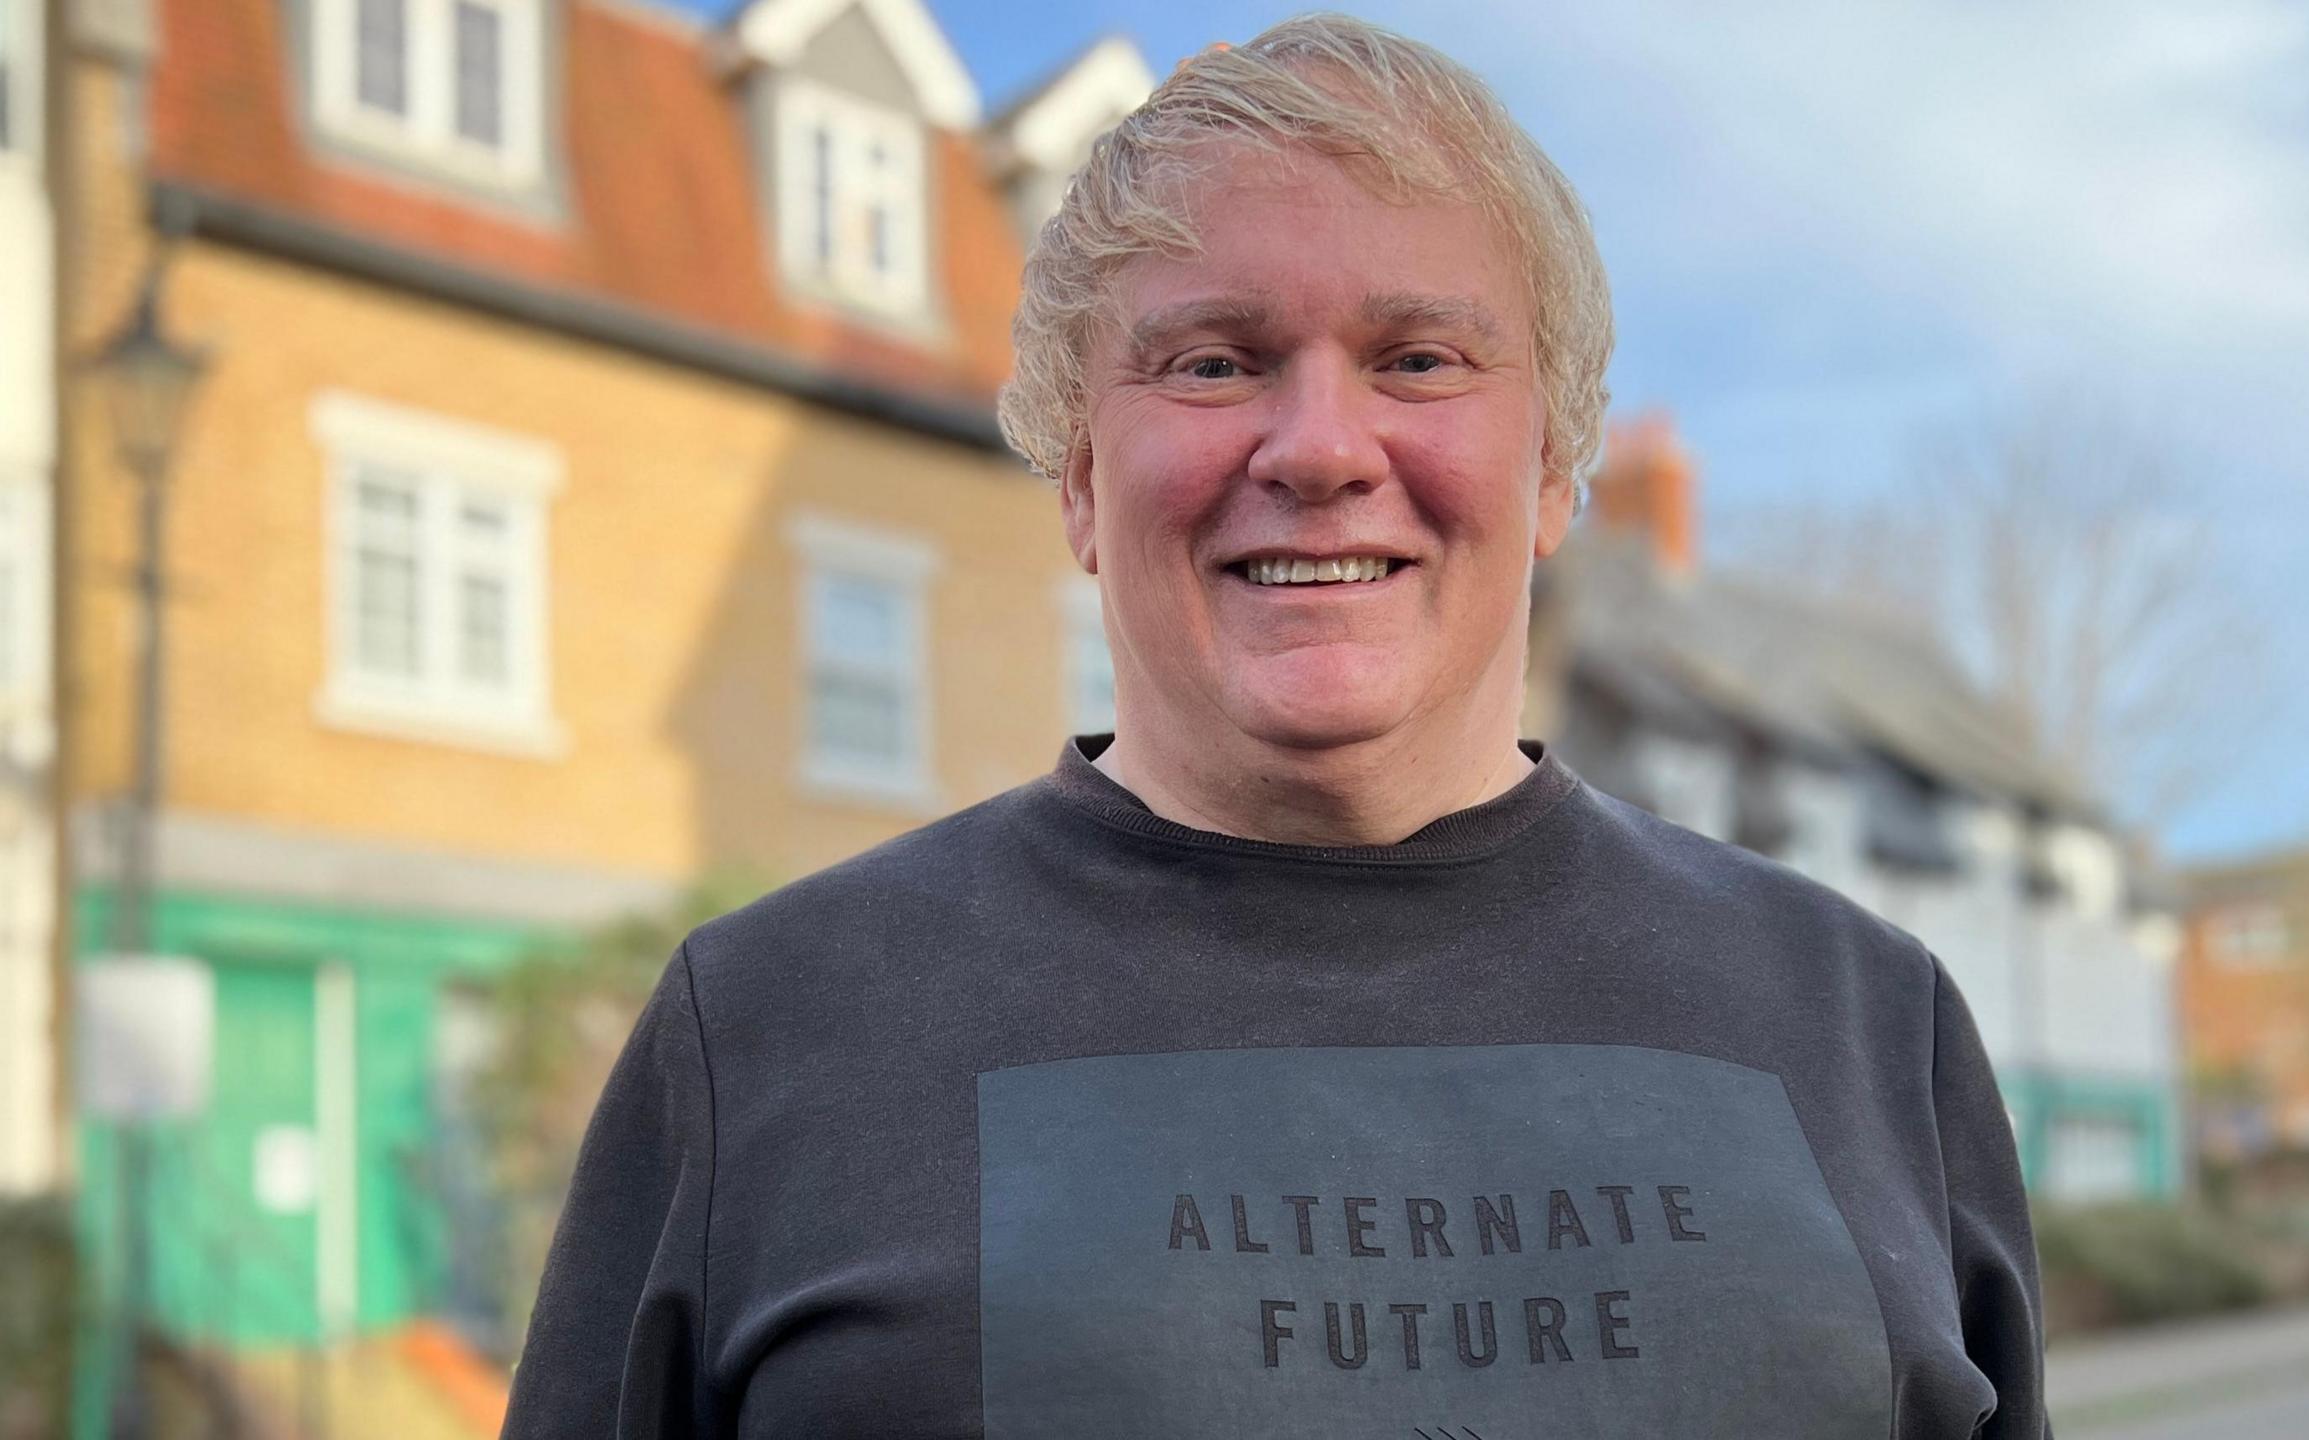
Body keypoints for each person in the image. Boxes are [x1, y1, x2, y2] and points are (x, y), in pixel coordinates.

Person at [500, 14, 2049, 1438]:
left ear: (1557, 468)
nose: (1318, 448)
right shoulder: (770, 1028)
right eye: (1215, 361)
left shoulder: (1866, 1023)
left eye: (1419, 359)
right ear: (1083, 481)